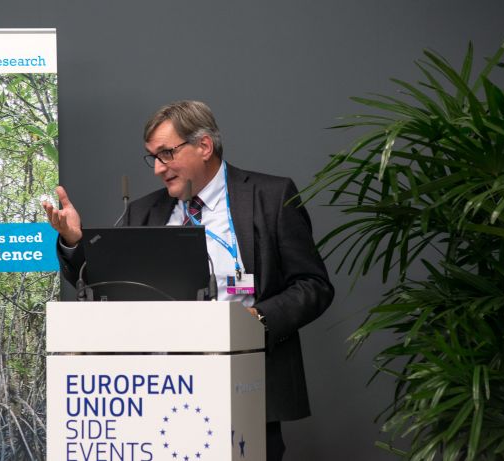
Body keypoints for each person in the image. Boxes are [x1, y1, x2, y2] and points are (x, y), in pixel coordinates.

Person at [44, 100, 334, 460]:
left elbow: (313, 286)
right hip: (157, 394)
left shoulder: (269, 197)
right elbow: (104, 290)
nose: (158, 169)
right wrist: (74, 241)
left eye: (166, 154)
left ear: (204, 146)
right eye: (153, 157)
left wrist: (257, 320)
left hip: (245, 386)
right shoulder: (141, 212)